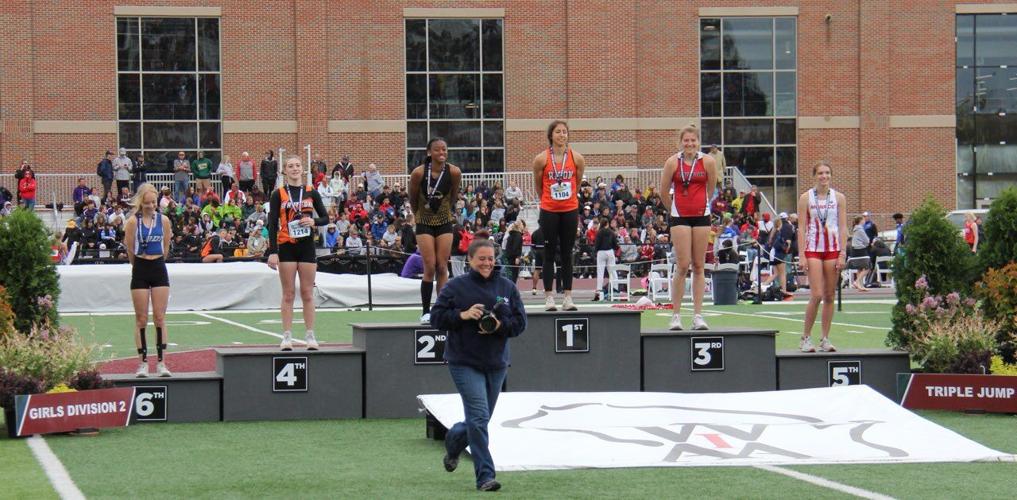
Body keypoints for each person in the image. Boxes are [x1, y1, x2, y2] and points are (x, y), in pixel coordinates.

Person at [429, 239, 526, 493]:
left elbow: (520, 323)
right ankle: (485, 476)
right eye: (481, 258)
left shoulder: (507, 287)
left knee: (478, 421)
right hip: (464, 362)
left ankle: (454, 441)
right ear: (470, 260)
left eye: (490, 258)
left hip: (496, 363)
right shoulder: (455, 287)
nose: (486, 263)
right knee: (480, 417)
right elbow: (436, 318)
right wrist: (462, 315)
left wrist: (498, 325)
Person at [267, 156, 329, 350]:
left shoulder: (312, 192)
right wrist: (273, 251)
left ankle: (310, 335)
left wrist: (314, 222)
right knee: (288, 293)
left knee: (307, 293)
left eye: (297, 166)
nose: (294, 169)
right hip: (286, 245)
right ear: (285, 171)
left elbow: (326, 217)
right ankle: (287, 336)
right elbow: (272, 223)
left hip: (307, 246)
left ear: (303, 169)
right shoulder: (279, 193)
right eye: (290, 166)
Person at [660, 125, 716, 330]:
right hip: (680, 216)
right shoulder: (672, 162)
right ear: (681, 142)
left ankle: (698, 315)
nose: (690, 144)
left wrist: (704, 203)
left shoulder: (708, 161)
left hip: (702, 215)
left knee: (699, 265)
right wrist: (673, 208)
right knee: (683, 265)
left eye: (693, 140)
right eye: (686, 141)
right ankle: (675, 315)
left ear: (698, 142)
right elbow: (663, 191)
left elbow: (711, 186)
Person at [532, 120, 585, 311]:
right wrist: (547, 200)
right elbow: (538, 185)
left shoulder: (577, 158)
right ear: (551, 135)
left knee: (567, 253)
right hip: (549, 210)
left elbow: (577, 183)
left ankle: (568, 297)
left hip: (570, 209)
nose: (562, 135)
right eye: (558, 132)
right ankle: (548, 297)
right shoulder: (541, 159)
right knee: (548, 253)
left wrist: (568, 197)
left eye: (564, 132)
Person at [123, 183, 174, 377]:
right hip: (141, 269)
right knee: (141, 319)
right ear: (140, 203)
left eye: (154, 202)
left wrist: (157, 260)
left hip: (158, 267)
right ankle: (142, 363)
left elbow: (166, 246)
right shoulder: (132, 222)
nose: (151, 206)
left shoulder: (164, 221)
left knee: (160, 317)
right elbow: (130, 249)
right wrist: (138, 265)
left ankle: (162, 363)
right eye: (147, 203)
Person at [409, 137, 462, 324]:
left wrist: (447, 209)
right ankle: (425, 311)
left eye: (445, 150)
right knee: (429, 266)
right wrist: (418, 214)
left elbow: (454, 194)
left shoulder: (454, 172)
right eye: (438, 150)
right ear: (429, 152)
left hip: (444, 221)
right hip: (424, 221)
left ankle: (442, 308)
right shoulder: (419, 173)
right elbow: (412, 197)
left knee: (442, 266)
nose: (442, 153)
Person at [797, 161, 847, 353]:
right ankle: (805, 337)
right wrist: (801, 254)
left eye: (827, 173)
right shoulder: (806, 198)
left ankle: (825, 338)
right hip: (813, 248)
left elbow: (843, 227)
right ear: (814, 176)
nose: (824, 176)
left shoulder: (839, 198)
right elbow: (801, 227)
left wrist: (843, 252)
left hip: (833, 248)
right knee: (816, 294)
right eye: (820, 173)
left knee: (829, 295)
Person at [593, 217, 619, 301]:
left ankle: (599, 290)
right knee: (613, 271)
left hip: (601, 252)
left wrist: (596, 252)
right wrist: (616, 248)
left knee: (600, 272)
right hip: (610, 252)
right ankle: (615, 288)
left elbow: (597, 244)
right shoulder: (611, 232)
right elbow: (615, 244)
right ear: (607, 224)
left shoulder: (599, 232)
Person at [848, 215, 872, 292]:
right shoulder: (860, 229)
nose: (864, 220)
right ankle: (857, 282)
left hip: (855, 250)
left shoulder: (855, 229)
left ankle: (860, 286)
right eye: (863, 219)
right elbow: (867, 240)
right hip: (861, 250)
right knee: (868, 267)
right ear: (860, 221)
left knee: (860, 268)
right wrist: (866, 243)